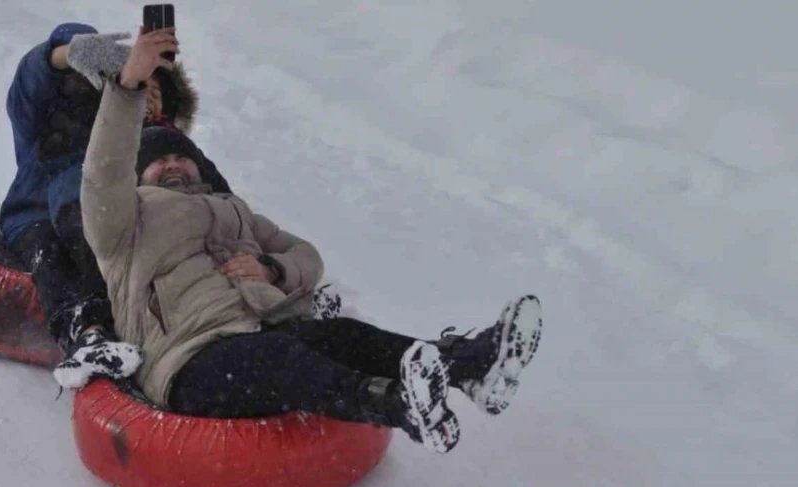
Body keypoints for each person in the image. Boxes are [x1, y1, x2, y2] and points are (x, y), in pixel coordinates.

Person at [75, 29, 544, 452]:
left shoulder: (233, 210)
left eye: (183, 157)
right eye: (160, 161)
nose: (174, 165)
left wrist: (272, 270)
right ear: (140, 176)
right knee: (279, 357)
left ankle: (470, 365)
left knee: (342, 335)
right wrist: (129, 85)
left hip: (261, 329)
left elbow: (306, 255)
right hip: (189, 360)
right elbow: (103, 171)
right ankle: (395, 404)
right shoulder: (122, 223)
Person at [0, 22, 233, 383]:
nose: (146, 103)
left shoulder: (153, 142)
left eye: (153, 96)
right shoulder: (50, 120)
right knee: (59, 257)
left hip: (122, 221)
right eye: (141, 91)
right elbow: (30, 83)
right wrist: (66, 54)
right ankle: (86, 330)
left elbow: (220, 197)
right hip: (39, 214)